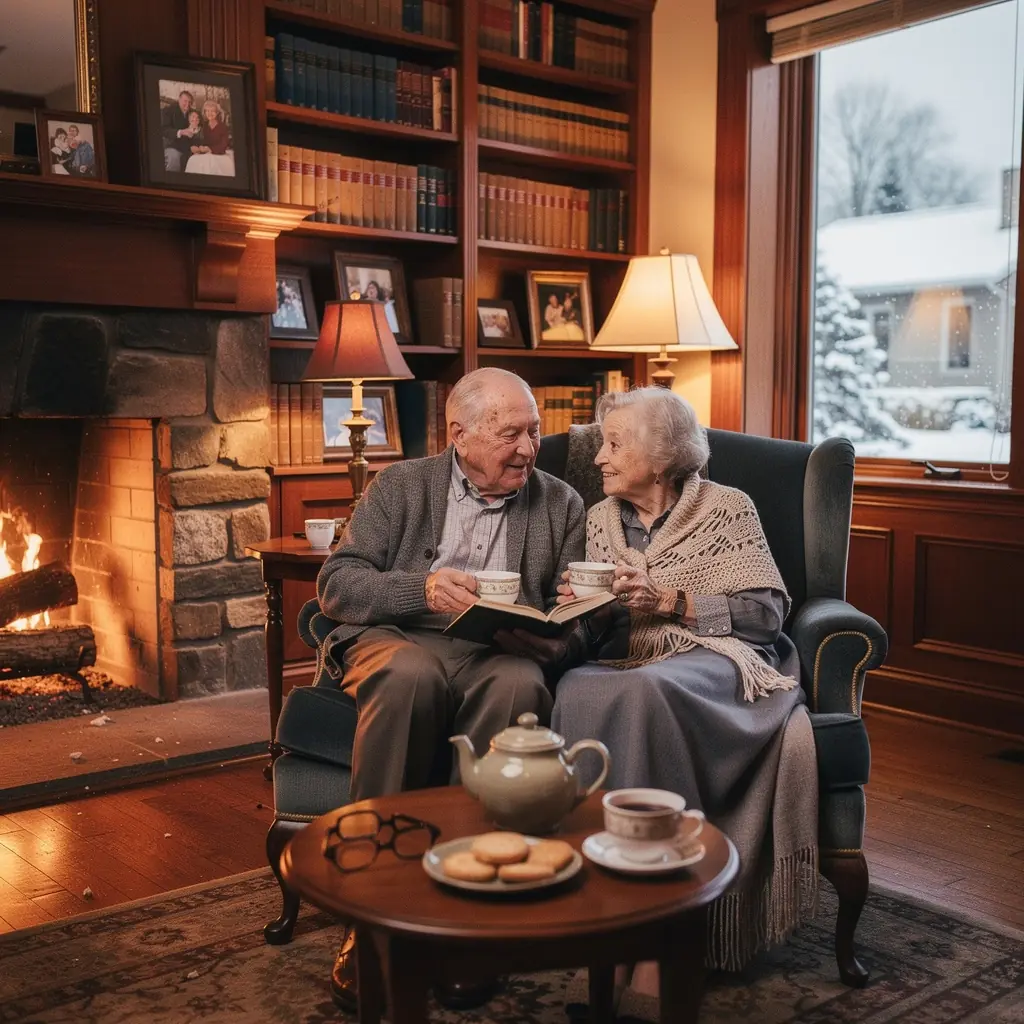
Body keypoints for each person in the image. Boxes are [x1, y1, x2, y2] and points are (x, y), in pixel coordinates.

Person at [316, 366, 584, 1011]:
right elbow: (338, 584)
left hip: (496, 651)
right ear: (459, 435)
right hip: (398, 638)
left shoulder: (561, 503)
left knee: (522, 685)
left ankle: (476, 913)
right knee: (411, 677)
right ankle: (370, 913)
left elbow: (574, 624)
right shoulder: (402, 485)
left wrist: (561, 635)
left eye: (535, 433)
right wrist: (424, 588)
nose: (527, 449)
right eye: (510, 434)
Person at [552, 387, 818, 1018]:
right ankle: (603, 925)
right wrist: (578, 608)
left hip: (724, 663)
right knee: (575, 689)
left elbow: (767, 614)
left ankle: (658, 944)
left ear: (663, 451)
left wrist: (670, 601)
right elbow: (600, 632)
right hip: (632, 659)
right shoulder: (597, 519)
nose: (600, 459)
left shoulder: (727, 508)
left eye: (615, 444)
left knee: (647, 691)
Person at [184, 100, 234, 176]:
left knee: (211, 163)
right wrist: (198, 147)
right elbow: (201, 140)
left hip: (219, 154)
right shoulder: (204, 126)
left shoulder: (223, 127)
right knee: (193, 160)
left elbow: (223, 145)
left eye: (212, 111)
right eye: (207, 111)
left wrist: (210, 149)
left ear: (217, 112)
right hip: (205, 154)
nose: (209, 113)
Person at [161, 89, 196, 172]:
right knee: (174, 158)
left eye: (190, 102)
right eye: (185, 101)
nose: (187, 104)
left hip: (187, 147)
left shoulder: (192, 113)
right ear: (179, 100)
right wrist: (181, 132)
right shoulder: (168, 111)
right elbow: (164, 130)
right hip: (171, 146)